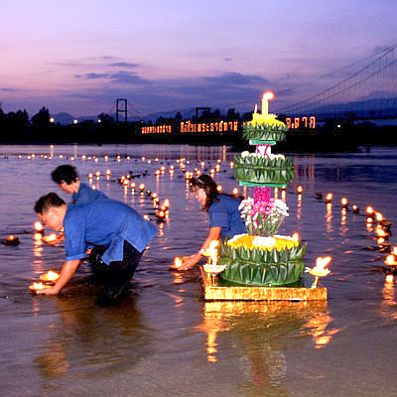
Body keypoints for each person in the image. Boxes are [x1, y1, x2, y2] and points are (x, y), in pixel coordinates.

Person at [33, 192, 157, 304]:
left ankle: (119, 308)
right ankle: (107, 284)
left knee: (111, 293)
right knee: (97, 259)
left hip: (131, 236)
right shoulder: (74, 211)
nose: (46, 225)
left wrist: (56, 288)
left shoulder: (72, 220)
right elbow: (91, 226)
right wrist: (64, 237)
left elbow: (73, 261)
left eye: (45, 220)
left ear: (54, 212)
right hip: (132, 230)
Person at [179, 174, 246, 270]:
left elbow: (214, 235)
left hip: (242, 246)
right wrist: (198, 254)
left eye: (197, 193)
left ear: (206, 190)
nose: (197, 198)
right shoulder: (221, 200)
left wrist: (196, 259)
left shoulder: (217, 205)